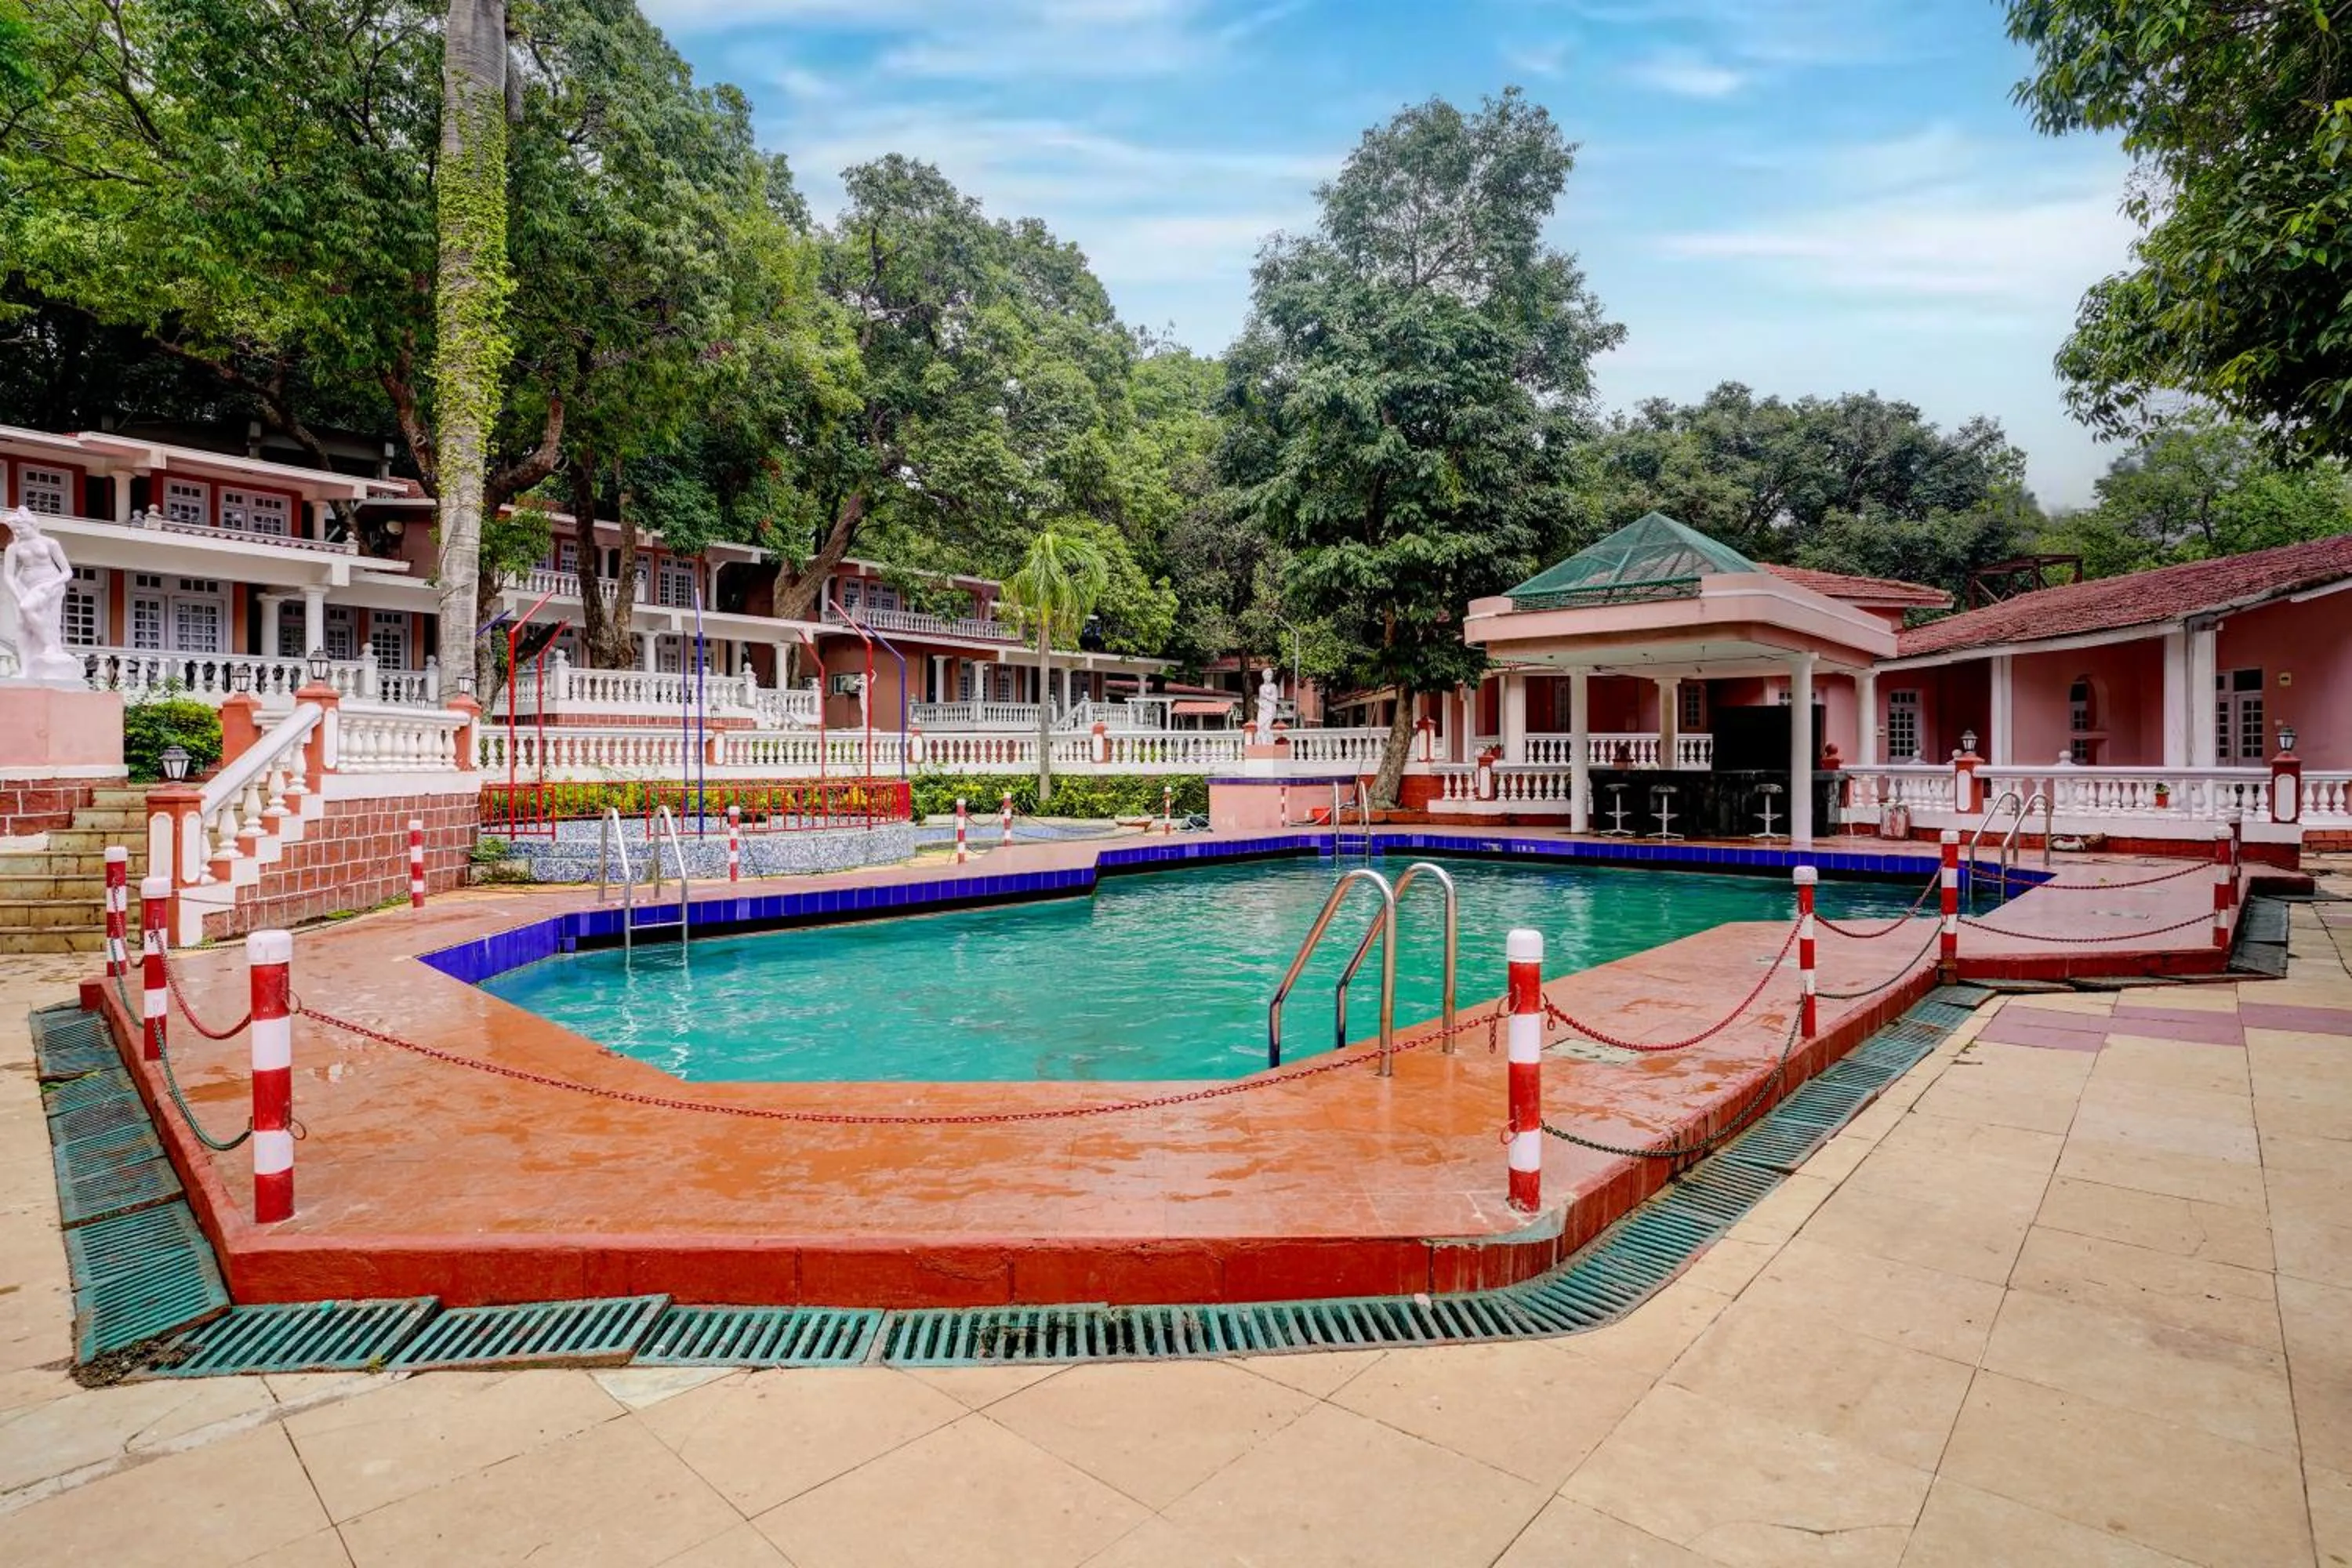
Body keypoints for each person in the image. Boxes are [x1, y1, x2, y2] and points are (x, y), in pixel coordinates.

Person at [2, 507, 81, 682]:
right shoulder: (13, 548)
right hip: (24, 585)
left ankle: (49, 643)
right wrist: (17, 595)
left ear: (31, 525)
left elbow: (67, 572)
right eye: (15, 530)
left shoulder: (50, 543)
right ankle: (26, 669)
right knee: (22, 626)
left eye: (21, 528)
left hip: (49, 585)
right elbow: (8, 576)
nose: (18, 533)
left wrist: (52, 585)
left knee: (27, 608)